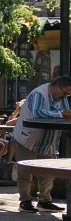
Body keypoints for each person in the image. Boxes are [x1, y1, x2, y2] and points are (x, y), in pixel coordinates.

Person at [9, 74, 71, 212]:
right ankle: (25, 201)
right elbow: (38, 113)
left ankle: (44, 201)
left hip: (48, 140)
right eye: (64, 93)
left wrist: (65, 113)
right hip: (27, 139)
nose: (65, 97)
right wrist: (62, 115)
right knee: (25, 172)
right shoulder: (38, 94)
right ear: (56, 87)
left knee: (48, 172)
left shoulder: (63, 98)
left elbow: (67, 111)